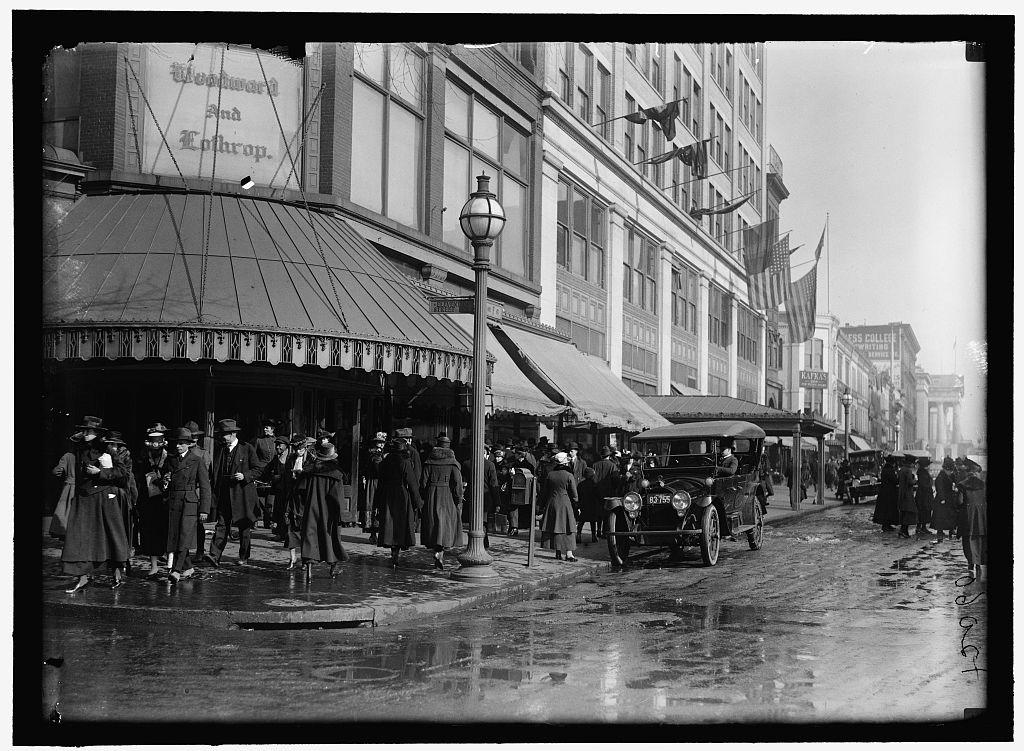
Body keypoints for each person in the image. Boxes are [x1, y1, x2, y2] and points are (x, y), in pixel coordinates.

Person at [61, 416, 131, 593]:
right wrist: (83, 436)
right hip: (83, 499)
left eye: (88, 431)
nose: (84, 434)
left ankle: (116, 574)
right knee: (78, 538)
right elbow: (73, 439)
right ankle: (82, 578)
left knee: (109, 537)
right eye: (83, 430)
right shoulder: (79, 448)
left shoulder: (107, 449)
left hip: (102, 499)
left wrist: (101, 472)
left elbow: (123, 474)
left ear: (98, 433)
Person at [205, 418, 266, 567]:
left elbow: (258, 469)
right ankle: (215, 555)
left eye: (224, 435)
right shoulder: (221, 449)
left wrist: (245, 476)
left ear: (232, 434)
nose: (222, 438)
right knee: (221, 525)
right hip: (225, 494)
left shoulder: (247, 448)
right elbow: (216, 472)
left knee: (244, 527)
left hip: (242, 494)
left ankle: (244, 556)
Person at [160, 427, 212, 583]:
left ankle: (176, 569)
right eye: (177, 443)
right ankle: (188, 567)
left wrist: (204, 509)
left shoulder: (196, 460)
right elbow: (163, 479)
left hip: (189, 503)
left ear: (189, 444)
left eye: (182, 443)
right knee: (175, 536)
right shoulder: (170, 460)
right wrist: (165, 482)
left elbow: (205, 487)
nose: (178, 446)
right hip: (174, 501)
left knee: (185, 536)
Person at [293, 441, 348, 580]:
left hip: (311, 508)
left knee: (310, 536)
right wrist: (341, 515)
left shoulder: (309, 471)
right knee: (332, 536)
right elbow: (337, 497)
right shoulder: (336, 474)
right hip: (329, 511)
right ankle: (333, 568)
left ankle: (310, 570)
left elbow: (300, 490)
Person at [375, 436, 423, 568]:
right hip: (402, 494)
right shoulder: (405, 462)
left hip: (387, 494)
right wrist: (418, 502)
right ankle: (397, 549)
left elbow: (380, 482)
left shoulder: (385, 462)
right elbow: (412, 483)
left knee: (390, 522)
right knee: (400, 523)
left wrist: (377, 501)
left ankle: (393, 551)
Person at [419, 434, 464, 571]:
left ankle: (437, 552)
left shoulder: (429, 461)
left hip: (432, 494)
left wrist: (425, 496)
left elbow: (423, 483)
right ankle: (440, 553)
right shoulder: (453, 463)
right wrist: (459, 499)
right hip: (447, 495)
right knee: (446, 524)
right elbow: (457, 483)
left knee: (433, 523)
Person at [134, 423, 170, 579]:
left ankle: (170, 562)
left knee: (167, 531)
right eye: (153, 439)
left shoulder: (169, 455)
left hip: (165, 499)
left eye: (159, 439)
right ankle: (154, 566)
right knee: (150, 533)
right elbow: (137, 476)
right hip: (147, 500)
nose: (156, 443)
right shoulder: (143, 456)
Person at [539, 452, 579, 562]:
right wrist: (576, 504)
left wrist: (541, 505)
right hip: (565, 503)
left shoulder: (550, 475)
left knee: (555, 527)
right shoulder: (568, 475)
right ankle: (569, 554)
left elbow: (544, 492)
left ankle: (557, 552)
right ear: (565, 463)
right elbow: (574, 494)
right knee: (568, 528)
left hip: (552, 503)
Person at [260, 434, 293, 543]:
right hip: (279, 490)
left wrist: (283, 476)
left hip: (289, 491)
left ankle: (289, 535)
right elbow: (266, 470)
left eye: (280, 445)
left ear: (286, 446)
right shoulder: (276, 458)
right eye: (276, 445)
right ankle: (280, 533)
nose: (278, 447)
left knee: (288, 512)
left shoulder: (291, 458)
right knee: (278, 511)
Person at [958, 458, 987, 579]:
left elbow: (959, 502)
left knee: (968, 539)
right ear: (977, 472)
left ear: (968, 471)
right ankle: (979, 563)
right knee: (979, 538)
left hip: (967, 516)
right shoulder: (983, 484)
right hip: (981, 516)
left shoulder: (962, 485)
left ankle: (970, 564)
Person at [589, 446, 620, 542]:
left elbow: (592, 479)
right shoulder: (612, 466)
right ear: (609, 455)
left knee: (598, 512)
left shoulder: (595, 465)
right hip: (609, 492)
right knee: (607, 513)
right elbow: (615, 480)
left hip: (597, 492)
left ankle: (598, 530)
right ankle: (605, 532)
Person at [49, 435, 78, 540]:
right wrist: (57, 470)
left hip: (73, 486)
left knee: (68, 510)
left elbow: (58, 470)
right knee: (68, 509)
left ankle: (68, 532)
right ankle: (66, 532)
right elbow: (58, 469)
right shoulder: (70, 456)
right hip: (72, 486)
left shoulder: (71, 456)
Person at [931, 457, 959, 543]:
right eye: (949, 471)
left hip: (949, 499)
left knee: (950, 515)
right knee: (940, 517)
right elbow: (939, 488)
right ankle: (940, 531)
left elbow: (955, 482)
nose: (951, 472)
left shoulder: (950, 475)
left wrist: (955, 488)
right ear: (945, 469)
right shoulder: (941, 476)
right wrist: (942, 498)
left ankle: (951, 529)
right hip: (942, 500)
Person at [871, 455, 900, 532]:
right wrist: (898, 476)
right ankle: (886, 525)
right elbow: (895, 480)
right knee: (888, 509)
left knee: (885, 509)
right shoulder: (890, 470)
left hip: (884, 491)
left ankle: (887, 525)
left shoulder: (885, 469)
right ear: (892, 463)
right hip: (889, 492)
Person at [575, 466, 599, 545]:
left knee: (581, 521)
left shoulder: (580, 484)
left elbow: (578, 495)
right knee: (593, 522)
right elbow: (597, 495)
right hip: (592, 505)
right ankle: (593, 536)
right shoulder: (594, 484)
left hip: (583, 505)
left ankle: (578, 535)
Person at [896, 454, 918, 539]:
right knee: (909, 513)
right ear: (911, 463)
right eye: (913, 463)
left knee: (904, 513)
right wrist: (915, 480)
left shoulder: (902, 469)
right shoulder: (908, 470)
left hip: (902, 494)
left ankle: (904, 531)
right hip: (907, 495)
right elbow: (910, 482)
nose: (914, 465)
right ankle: (903, 531)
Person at [914, 457, 935, 537]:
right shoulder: (923, 472)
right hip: (924, 495)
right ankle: (921, 527)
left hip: (924, 494)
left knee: (924, 511)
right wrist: (929, 486)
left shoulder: (923, 472)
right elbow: (924, 484)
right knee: (923, 510)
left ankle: (922, 527)